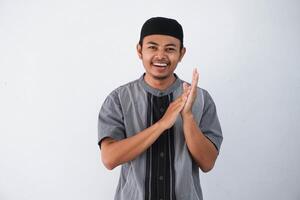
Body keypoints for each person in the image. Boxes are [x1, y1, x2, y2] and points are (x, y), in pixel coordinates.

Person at [97, 17, 223, 200]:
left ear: (181, 53)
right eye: (152, 47)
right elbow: (109, 159)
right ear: (139, 50)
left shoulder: (201, 99)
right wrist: (162, 124)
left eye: (170, 49)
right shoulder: (118, 99)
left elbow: (207, 163)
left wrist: (187, 117)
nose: (161, 56)